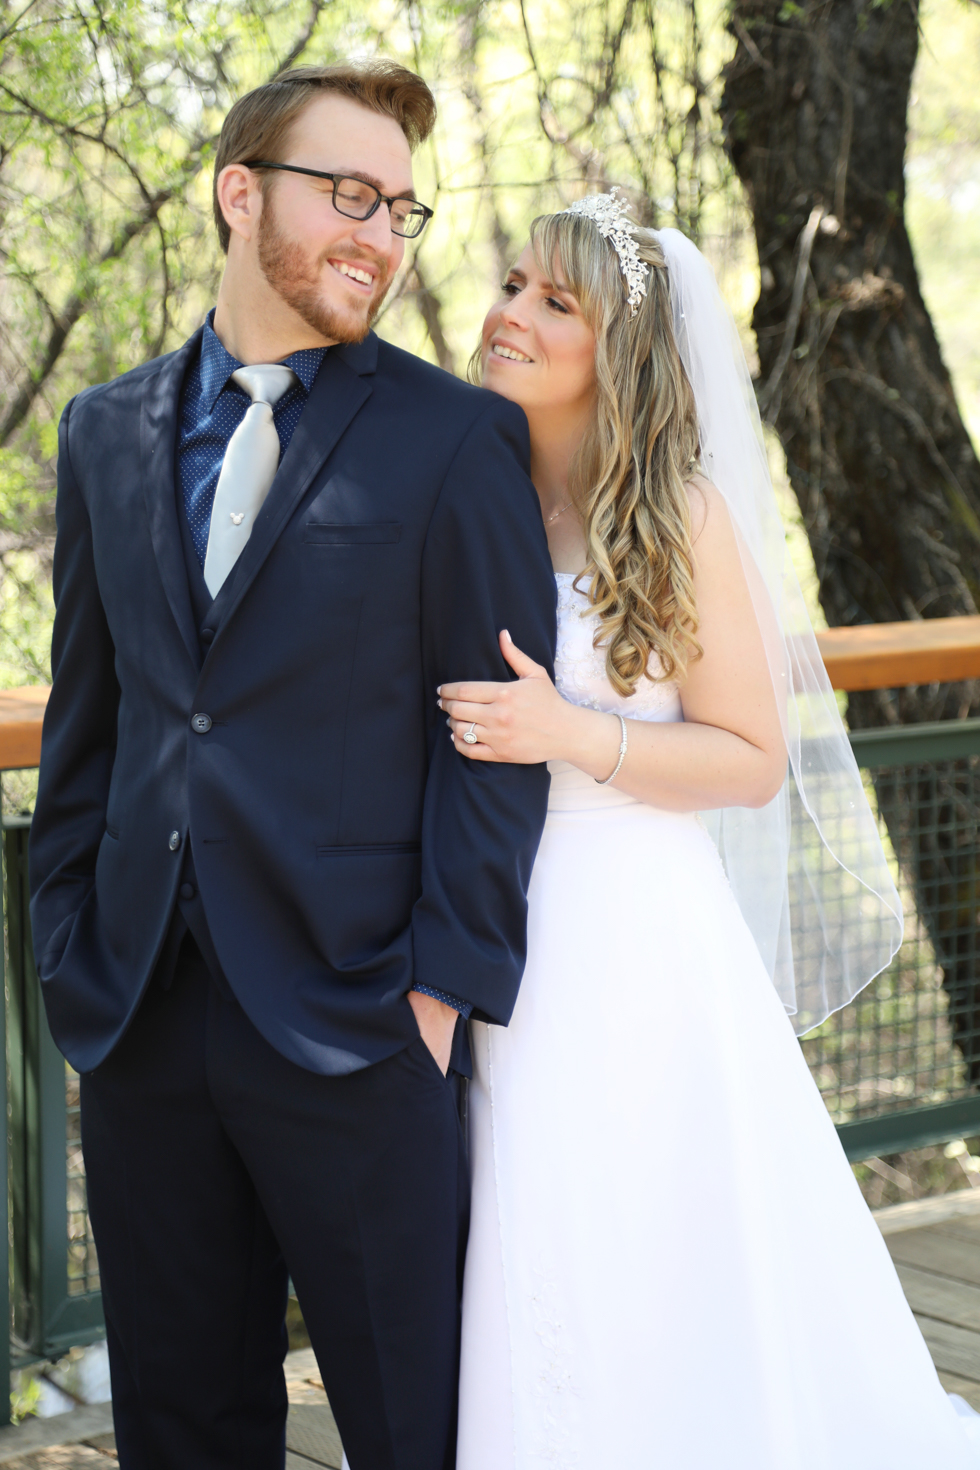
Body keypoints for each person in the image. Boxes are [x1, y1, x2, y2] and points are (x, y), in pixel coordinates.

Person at [29, 61, 556, 1470]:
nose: (380, 236)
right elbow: (95, 720)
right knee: (182, 1423)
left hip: (365, 1019)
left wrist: (442, 989)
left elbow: (497, 743)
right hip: (141, 1011)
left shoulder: (456, 440)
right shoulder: (106, 431)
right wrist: (65, 935)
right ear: (238, 191)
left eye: (401, 209)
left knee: (406, 1424)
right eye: (349, 195)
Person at [440, 194, 980, 1467]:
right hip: (490, 927)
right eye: (512, 282)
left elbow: (746, 760)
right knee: (539, 1231)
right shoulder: (473, 494)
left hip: (638, 936)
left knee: (659, 1220)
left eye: (552, 302)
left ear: (617, 348)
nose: (507, 314)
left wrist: (576, 735)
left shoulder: (679, 516)